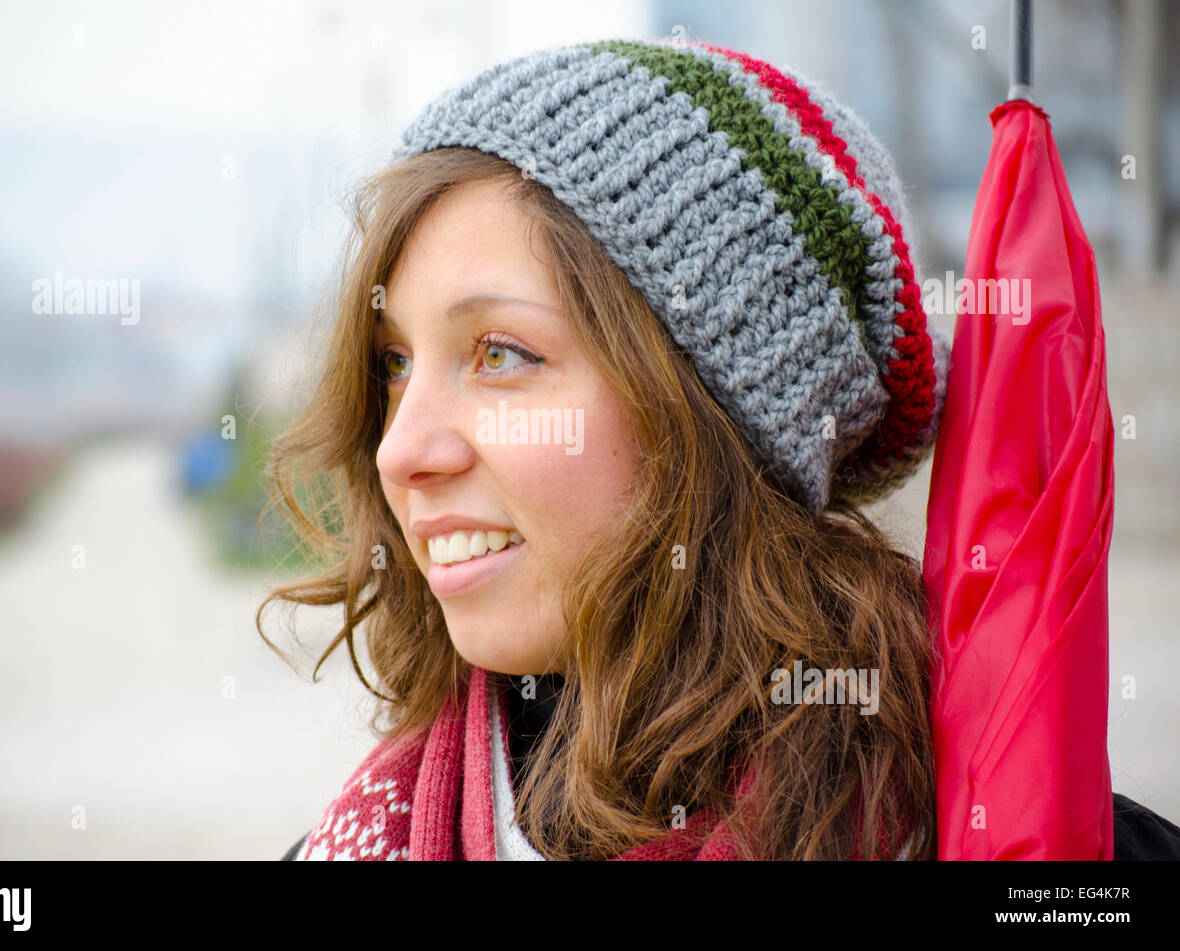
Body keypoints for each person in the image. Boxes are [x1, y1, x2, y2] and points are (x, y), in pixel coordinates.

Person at [260, 34, 1151, 862]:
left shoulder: (1025, 838)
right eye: (394, 365)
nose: (399, 449)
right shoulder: (354, 839)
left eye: (501, 355)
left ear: (714, 415)